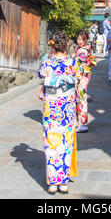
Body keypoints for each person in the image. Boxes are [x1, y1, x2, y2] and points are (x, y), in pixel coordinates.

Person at [38, 31, 81, 194]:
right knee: (66, 143)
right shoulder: (72, 62)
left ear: (52, 44)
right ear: (67, 44)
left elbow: (40, 74)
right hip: (67, 106)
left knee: (51, 142)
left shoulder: (46, 61)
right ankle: (63, 183)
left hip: (51, 106)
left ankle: (52, 183)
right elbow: (77, 85)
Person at [73, 30, 96, 133]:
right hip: (82, 76)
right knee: (79, 98)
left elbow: (80, 64)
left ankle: (83, 124)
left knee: (82, 99)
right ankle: (79, 121)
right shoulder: (82, 49)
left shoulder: (83, 51)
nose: (80, 41)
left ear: (86, 40)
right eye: (78, 39)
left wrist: (74, 59)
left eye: (82, 39)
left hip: (81, 77)